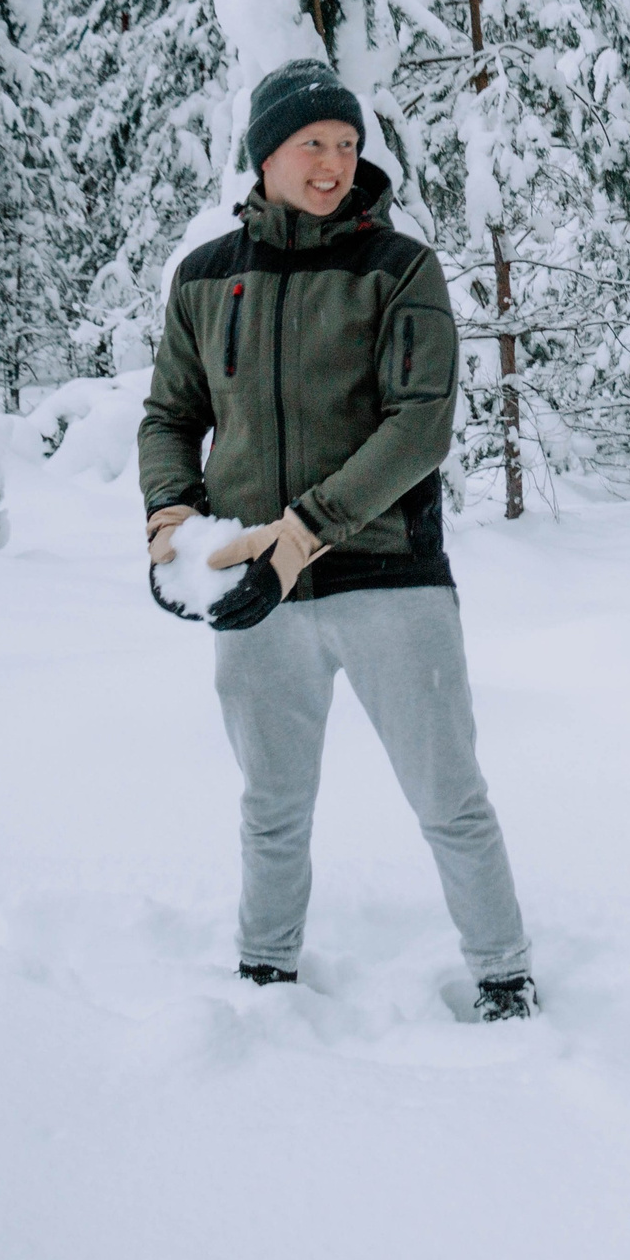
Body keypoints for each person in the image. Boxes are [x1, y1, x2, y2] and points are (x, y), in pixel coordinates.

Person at [136, 59, 537, 1022]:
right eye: (312, 144)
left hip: (389, 578)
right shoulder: (207, 279)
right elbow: (171, 415)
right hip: (253, 585)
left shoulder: (397, 268)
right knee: (271, 805)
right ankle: (265, 973)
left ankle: (504, 977)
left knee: (448, 796)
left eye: (348, 145)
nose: (333, 164)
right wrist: (171, 519)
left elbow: (419, 425)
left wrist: (307, 529)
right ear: (265, 155)